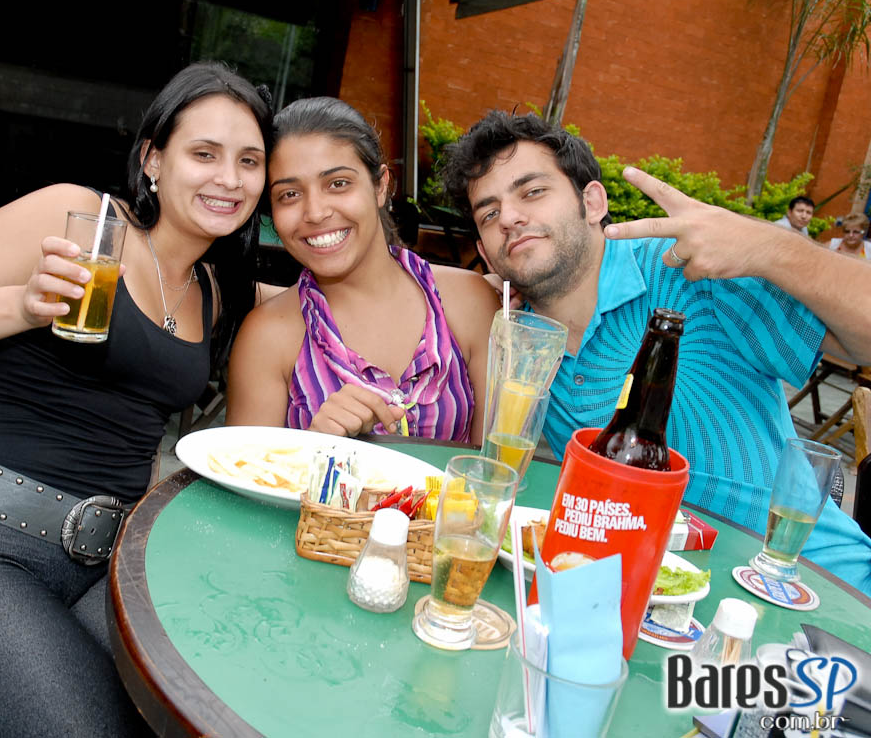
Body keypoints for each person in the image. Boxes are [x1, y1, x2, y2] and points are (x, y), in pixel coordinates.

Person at [0, 61, 271, 737]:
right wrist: (21, 305)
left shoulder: (212, 293)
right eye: (204, 153)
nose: (229, 177)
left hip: (110, 573)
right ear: (153, 159)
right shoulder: (78, 222)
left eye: (249, 160)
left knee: (192, 716)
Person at [442, 110, 871, 593]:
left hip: (823, 587)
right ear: (485, 248)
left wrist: (770, 248)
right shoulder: (516, 339)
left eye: (533, 192)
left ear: (592, 202)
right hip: (658, 602)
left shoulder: (688, 268)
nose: (510, 218)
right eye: (489, 213)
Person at [225, 97, 499, 443]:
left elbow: (498, 465)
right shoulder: (267, 337)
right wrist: (311, 448)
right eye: (290, 194)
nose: (315, 212)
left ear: (380, 186)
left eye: (338, 183)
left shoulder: (470, 301)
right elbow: (241, 470)